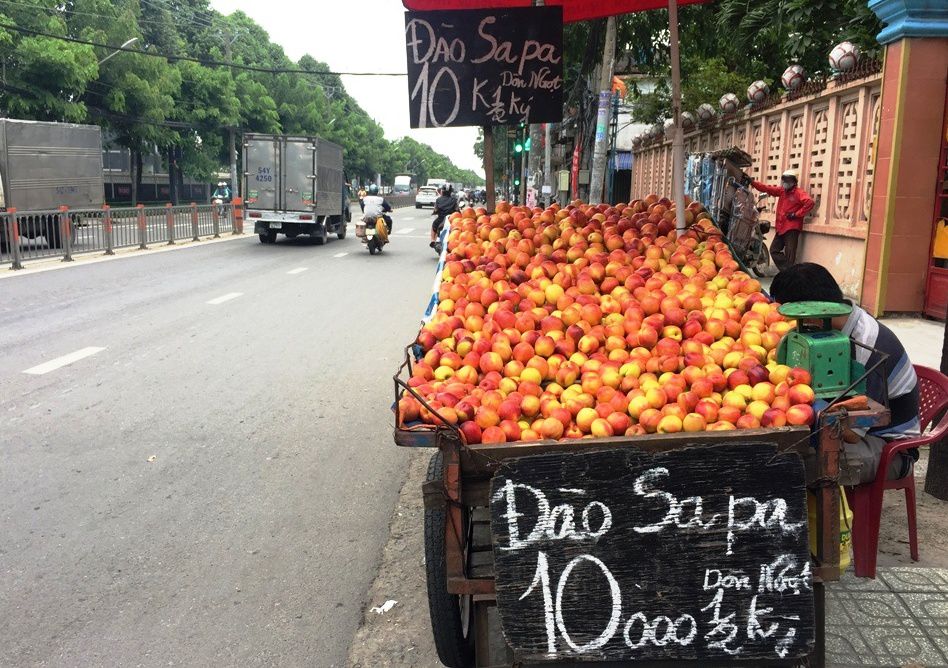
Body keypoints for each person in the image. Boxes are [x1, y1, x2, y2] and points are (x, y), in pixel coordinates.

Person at [769, 262, 920, 484]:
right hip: (854, 431)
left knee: (795, 465)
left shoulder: (869, 346)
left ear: (810, 312)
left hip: (887, 445)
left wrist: (817, 409)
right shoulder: (827, 331)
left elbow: (850, 434)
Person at [745, 169, 813, 270]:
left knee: (790, 253)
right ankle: (788, 271)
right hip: (781, 227)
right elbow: (766, 188)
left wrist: (796, 214)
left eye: (788, 180)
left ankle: (790, 274)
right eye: (784, 180)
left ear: (794, 182)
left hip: (792, 228)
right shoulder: (782, 191)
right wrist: (752, 182)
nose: (785, 183)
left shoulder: (799, 193)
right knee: (774, 250)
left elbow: (809, 202)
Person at [431, 185, 459, 251]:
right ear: (451, 192)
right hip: (451, 220)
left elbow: (435, 210)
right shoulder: (454, 200)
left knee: (433, 225)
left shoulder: (438, 200)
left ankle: (432, 240)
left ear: (442, 191)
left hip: (440, 219)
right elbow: (457, 210)